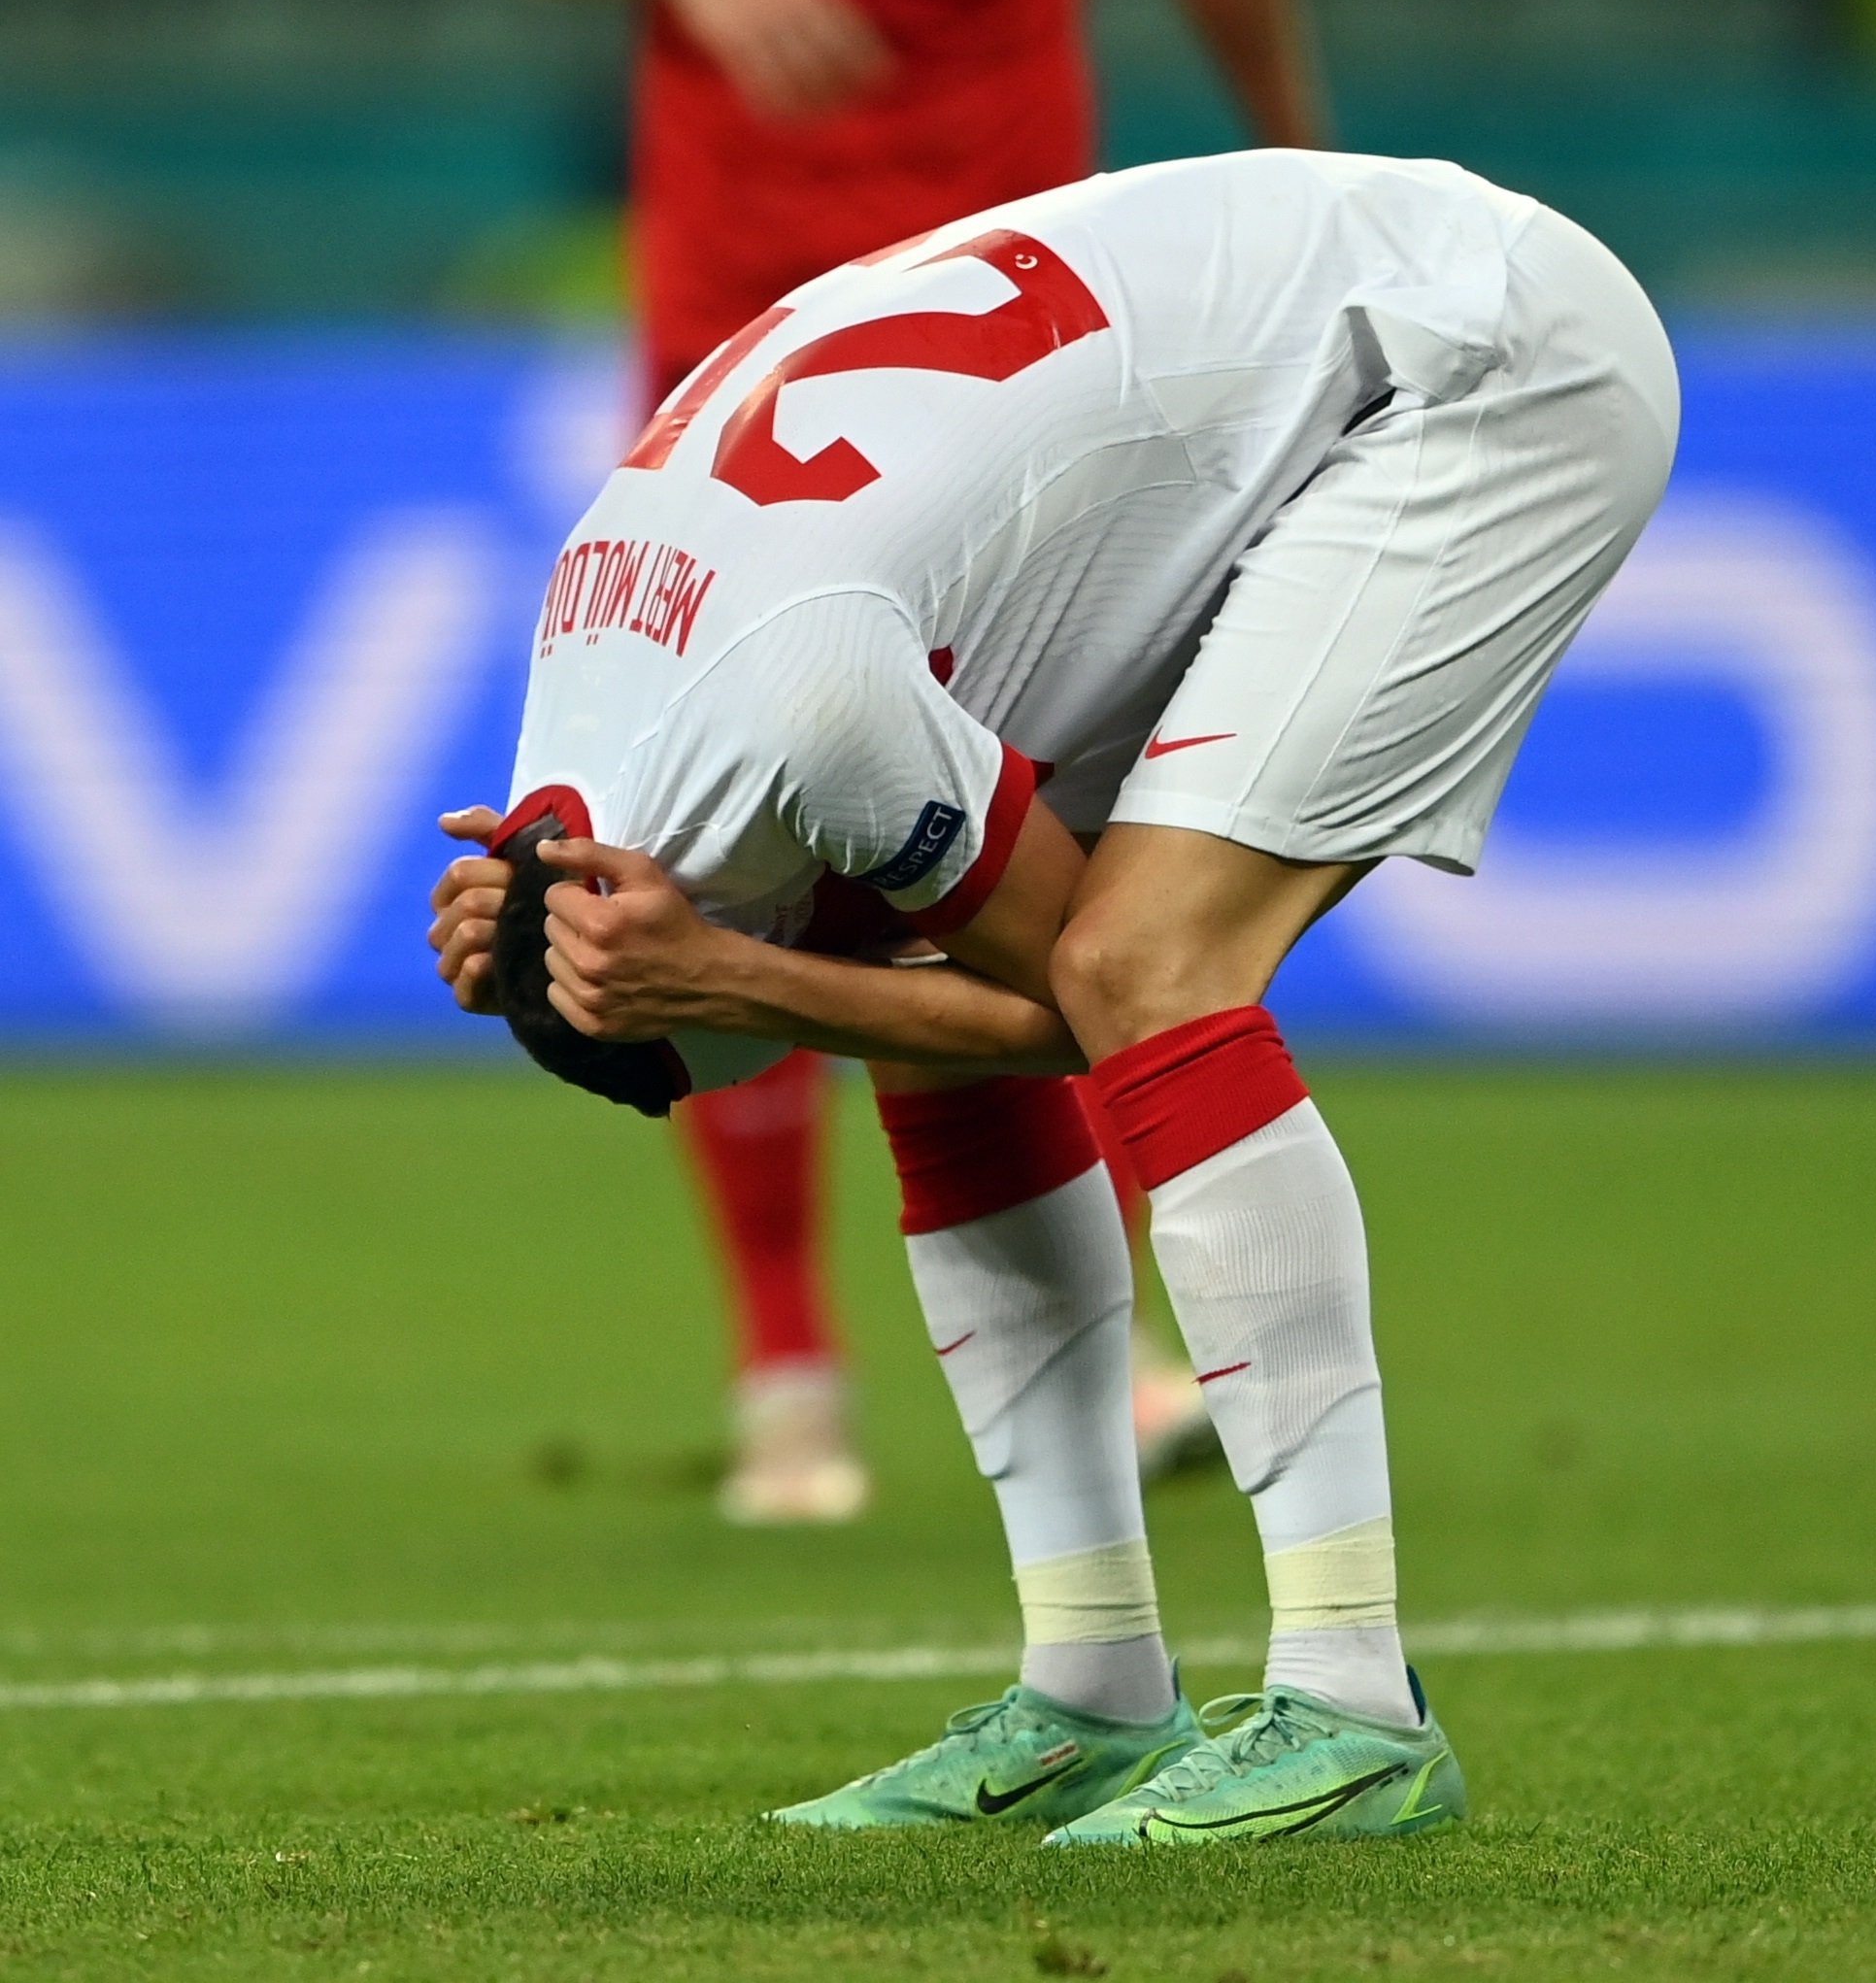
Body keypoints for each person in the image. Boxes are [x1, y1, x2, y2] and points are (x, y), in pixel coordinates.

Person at [410, 0, 1323, 1523]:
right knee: (701, 854)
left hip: (1033, 353)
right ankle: (791, 1373)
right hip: (749, 345)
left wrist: (1295, 147)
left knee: (1050, 849)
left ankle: (1160, 1343)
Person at [428, 144, 1678, 1843]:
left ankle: (1354, 1700)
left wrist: (743, 979)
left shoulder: (805, 716)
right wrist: (755, 970)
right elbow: (864, 958)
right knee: (917, 966)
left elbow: (1078, 1009)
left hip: (1477, 361)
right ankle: (1092, 1685)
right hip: (1270, 355)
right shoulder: (588, 737)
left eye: (720, 1025)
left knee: (1144, 963)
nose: (757, 1020)